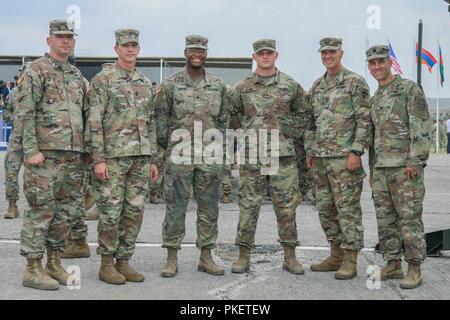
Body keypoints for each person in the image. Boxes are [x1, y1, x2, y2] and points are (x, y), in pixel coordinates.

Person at [228, 39, 313, 275]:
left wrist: (287, 132)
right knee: (248, 206)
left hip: (282, 157)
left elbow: (304, 113)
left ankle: (290, 256)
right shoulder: (241, 88)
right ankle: (243, 255)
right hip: (252, 156)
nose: (265, 56)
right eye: (260, 53)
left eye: (269, 53)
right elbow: (233, 115)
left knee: (286, 207)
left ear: (276, 55)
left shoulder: (290, 85)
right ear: (254, 57)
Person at [16, 19, 87, 291]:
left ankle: (54, 262)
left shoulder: (75, 75)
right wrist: (31, 150)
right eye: (61, 37)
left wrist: (86, 151)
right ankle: (33, 268)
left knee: (66, 213)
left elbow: (82, 115)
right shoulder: (36, 70)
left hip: (72, 157)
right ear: (49, 41)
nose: (66, 41)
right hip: (44, 156)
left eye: (70, 37)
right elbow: (25, 112)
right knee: (41, 211)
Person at [85, 29, 158, 285]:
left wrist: (152, 158)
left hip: (140, 158)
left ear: (138, 49)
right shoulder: (103, 80)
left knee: (134, 211)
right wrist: (99, 159)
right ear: (116, 48)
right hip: (113, 159)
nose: (130, 49)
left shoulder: (145, 83)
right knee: (110, 213)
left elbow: (151, 123)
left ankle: (124, 260)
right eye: (125, 45)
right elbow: (94, 121)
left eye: (134, 45)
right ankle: (106, 264)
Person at [155, 35, 229, 278]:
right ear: (185, 52)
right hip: (180, 156)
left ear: (206, 54)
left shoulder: (218, 85)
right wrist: (169, 148)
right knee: (175, 206)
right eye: (193, 50)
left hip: (209, 156)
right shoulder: (171, 84)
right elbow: (162, 119)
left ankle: (206, 257)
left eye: (201, 50)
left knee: (209, 208)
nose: (197, 54)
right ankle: (172, 257)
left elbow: (225, 120)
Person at [306, 37, 371, 280]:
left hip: (345, 161)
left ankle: (351, 259)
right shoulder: (317, 86)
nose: (328, 56)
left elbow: (365, 119)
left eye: (332, 52)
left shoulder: (354, 83)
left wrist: (356, 151)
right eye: (324, 53)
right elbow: (310, 123)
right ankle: (335, 254)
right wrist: (311, 150)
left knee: (348, 211)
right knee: (326, 210)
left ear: (341, 53)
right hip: (322, 162)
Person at [367, 45, 432, 289]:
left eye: (380, 62)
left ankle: (414, 268)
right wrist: (373, 168)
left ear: (389, 62)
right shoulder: (376, 98)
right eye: (372, 63)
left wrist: (416, 160)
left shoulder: (408, 89)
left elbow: (421, 126)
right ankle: (393, 263)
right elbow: (374, 139)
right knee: (386, 220)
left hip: (405, 169)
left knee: (409, 219)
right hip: (382, 169)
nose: (376, 67)